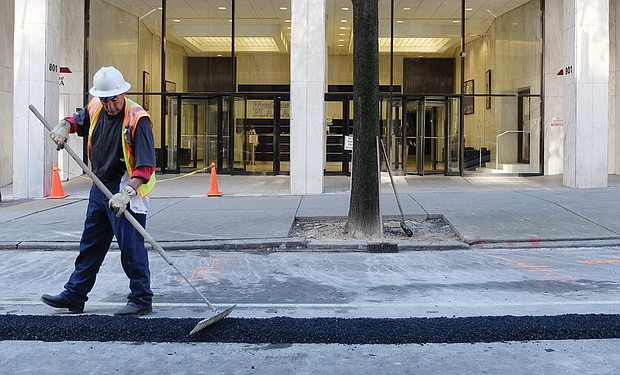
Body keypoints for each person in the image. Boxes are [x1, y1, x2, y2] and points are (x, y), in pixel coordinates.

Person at [41, 66, 157, 316]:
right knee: (91, 244)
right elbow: (78, 121)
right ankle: (75, 294)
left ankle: (141, 298)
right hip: (99, 185)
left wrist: (127, 193)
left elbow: (146, 166)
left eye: (113, 99)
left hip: (125, 187)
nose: (109, 105)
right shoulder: (96, 107)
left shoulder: (138, 118)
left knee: (131, 246)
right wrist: (65, 125)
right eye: (104, 99)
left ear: (122, 93)